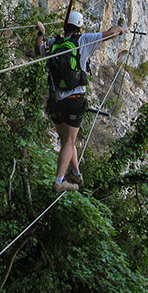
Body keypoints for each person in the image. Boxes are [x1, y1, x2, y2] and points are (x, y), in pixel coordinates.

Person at [34, 11, 124, 193]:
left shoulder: (54, 42)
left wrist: (41, 33)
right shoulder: (83, 40)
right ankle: (59, 181)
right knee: (69, 142)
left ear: (65, 26)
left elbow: (38, 50)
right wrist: (120, 29)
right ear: (79, 27)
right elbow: (112, 33)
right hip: (74, 100)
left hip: (55, 100)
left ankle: (75, 173)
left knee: (66, 139)